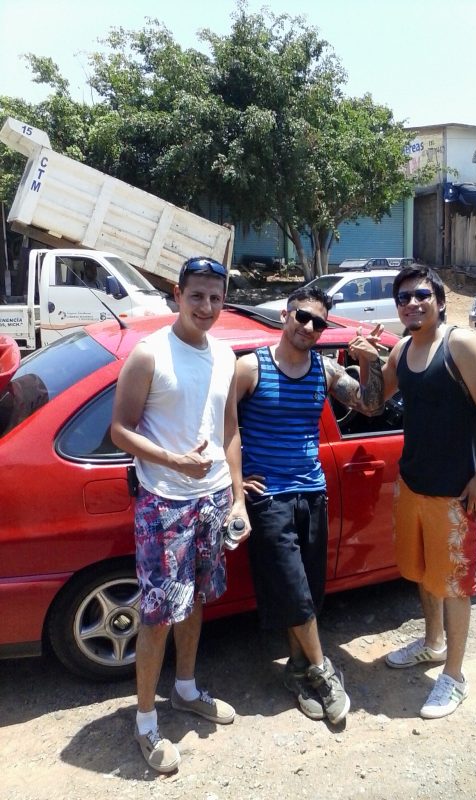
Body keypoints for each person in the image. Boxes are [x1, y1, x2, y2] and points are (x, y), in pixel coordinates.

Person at [111, 256, 250, 773]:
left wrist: (235, 497)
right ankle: (146, 722)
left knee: (194, 603)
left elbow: (229, 428)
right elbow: (120, 430)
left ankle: (186, 689)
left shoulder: (224, 355)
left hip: (213, 499)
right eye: (197, 296)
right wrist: (174, 462)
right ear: (177, 294)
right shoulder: (149, 355)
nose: (207, 307)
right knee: (157, 615)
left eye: (216, 297)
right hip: (163, 502)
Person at [236, 286, 383, 725]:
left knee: (308, 589)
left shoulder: (325, 370)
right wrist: (234, 481)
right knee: (293, 587)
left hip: (312, 492)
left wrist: (369, 362)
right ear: (285, 315)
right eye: (302, 317)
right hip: (268, 497)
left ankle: (298, 672)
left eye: (318, 323)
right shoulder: (250, 368)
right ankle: (324, 671)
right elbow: (220, 425)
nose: (309, 327)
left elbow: (372, 406)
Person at [380, 264, 476, 719]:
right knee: (423, 572)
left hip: (457, 490)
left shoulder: (459, 344)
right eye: (403, 297)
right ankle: (432, 644)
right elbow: (374, 400)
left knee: (454, 585)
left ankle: (453, 676)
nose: (411, 303)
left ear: (438, 299)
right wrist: (364, 361)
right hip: (413, 483)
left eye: (420, 295)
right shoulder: (401, 349)